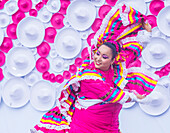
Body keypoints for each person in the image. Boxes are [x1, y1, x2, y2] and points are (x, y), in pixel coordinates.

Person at [31, 3, 158, 133]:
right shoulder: (88, 74)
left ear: (113, 60)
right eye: (97, 54)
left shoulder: (115, 70)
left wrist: (147, 33)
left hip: (109, 127)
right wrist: (137, 97)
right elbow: (110, 95)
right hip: (85, 127)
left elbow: (131, 54)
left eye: (104, 57)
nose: (98, 58)